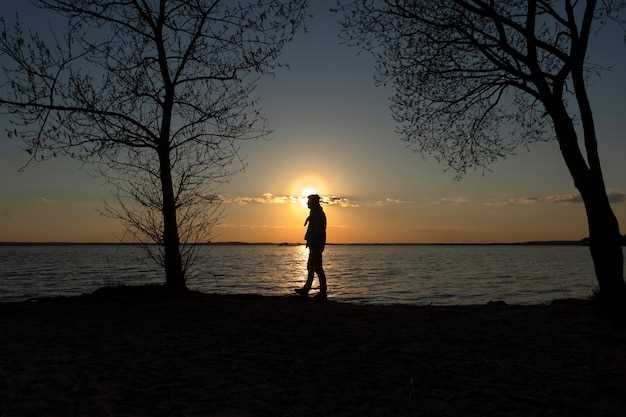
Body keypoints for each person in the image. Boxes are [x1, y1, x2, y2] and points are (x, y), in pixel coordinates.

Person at [295, 194, 327, 301]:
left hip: (316, 245)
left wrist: (315, 244)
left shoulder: (318, 214)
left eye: (309, 201)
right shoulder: (314, 213)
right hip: (314, 245)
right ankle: (307, 289)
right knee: (311, 267)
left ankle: (322, 292)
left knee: (317, 268)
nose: (307, 203)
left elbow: (319, 232)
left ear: (313, 202)